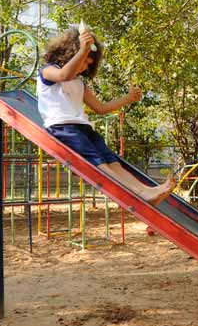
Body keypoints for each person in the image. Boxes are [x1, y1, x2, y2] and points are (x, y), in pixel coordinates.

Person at [37, 27, 175, 205]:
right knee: (99, 163)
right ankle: (138, 193)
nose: (86, 66)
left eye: (88, 63)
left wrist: (127, 99)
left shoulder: (79, 83)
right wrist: (83, 49)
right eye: (85, 61)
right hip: (62, 128)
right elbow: (64, 74)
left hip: (84, 129)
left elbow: (100, 108)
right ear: (70, 54)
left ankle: (146, 190)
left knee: (112, 161)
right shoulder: (48, 71)